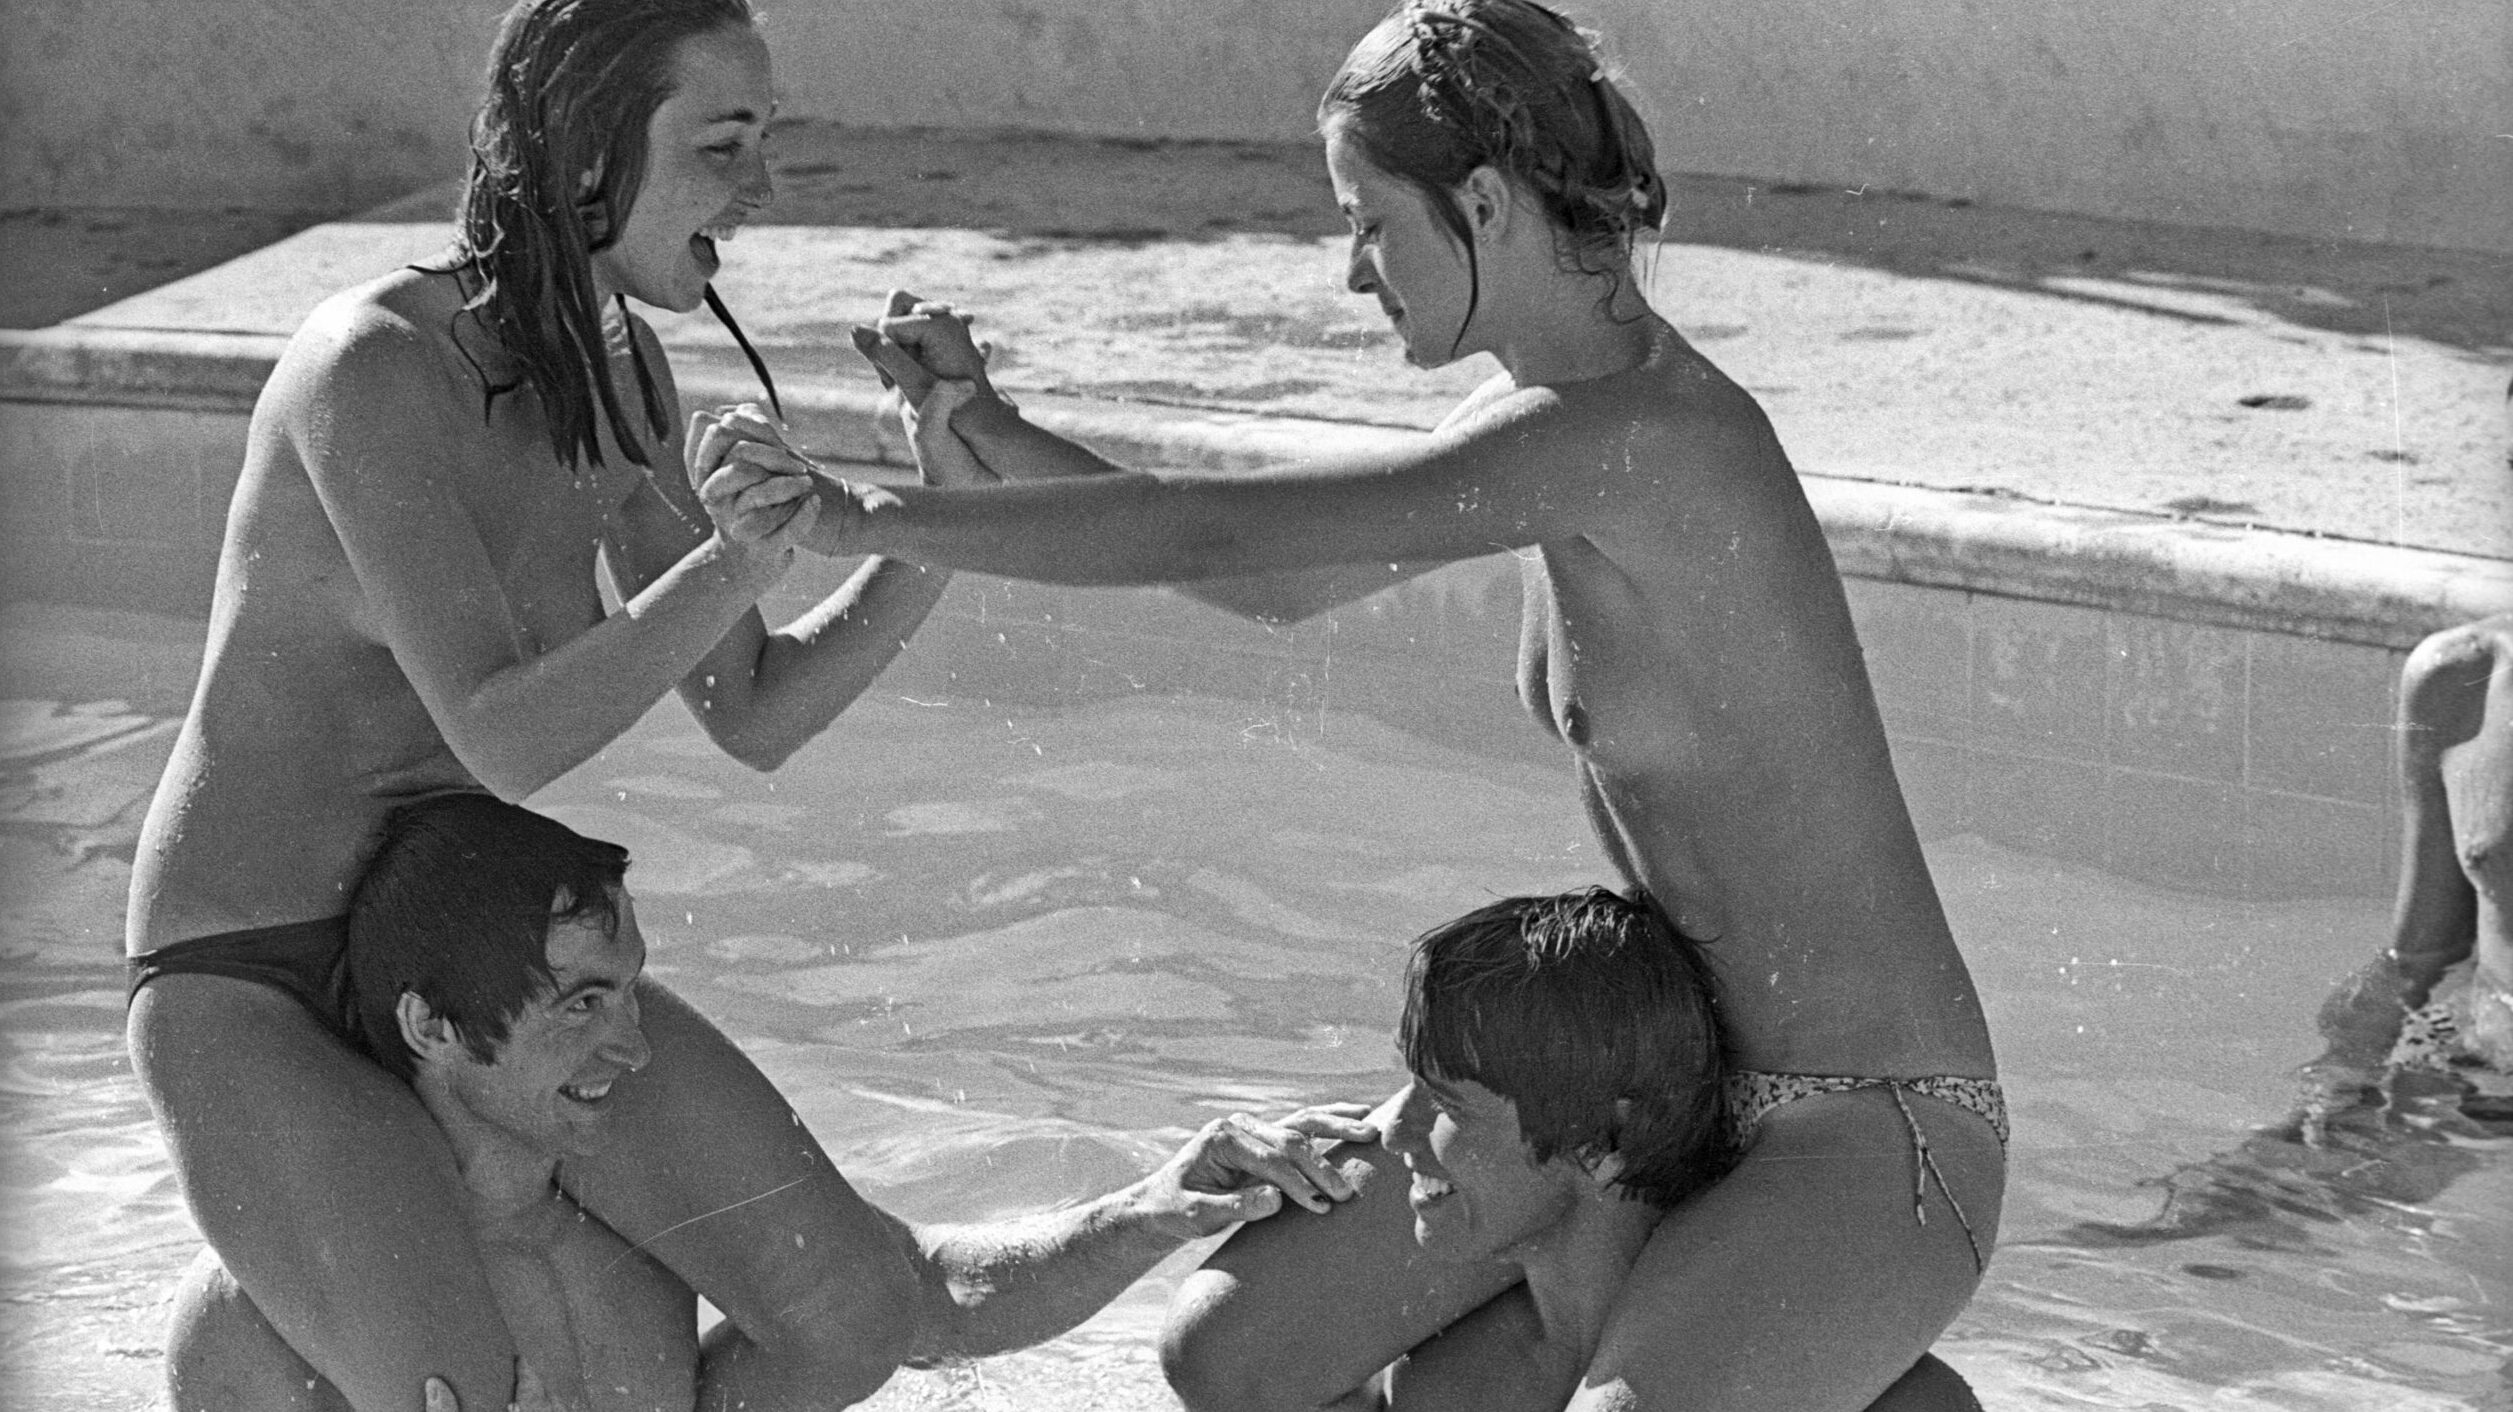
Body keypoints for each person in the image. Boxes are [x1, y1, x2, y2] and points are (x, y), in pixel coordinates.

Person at [691, 2, 2006, 1405]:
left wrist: (863, 520)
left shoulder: (1636, 439)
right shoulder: (1553, 420)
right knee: (1232, 1355)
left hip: (1863, 1123)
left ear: (1484, 204)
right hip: (1640, 1101)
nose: (1352, 274)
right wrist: (989, 435)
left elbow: (1213, 540)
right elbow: (1283, 578)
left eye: (1370, 223)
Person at [121, 4, 987, 1408]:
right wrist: (729, 560)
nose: (758, 192)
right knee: (458, 1386)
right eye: (723, 145)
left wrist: (939, 516)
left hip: (480, 959)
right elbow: (503, 733)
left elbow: (754, 707)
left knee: (848, 1313)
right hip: (254, 968)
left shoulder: (621, 370)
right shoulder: (375, 368)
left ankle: (312, 1282)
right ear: (586, 151)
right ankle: (252, 1315)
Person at [165, 794, 1370, 1412]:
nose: (635, 1045)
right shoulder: (260, 1316)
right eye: (580, 1003)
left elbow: (917, 1298)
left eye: (633, 989)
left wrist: (1159, 1204)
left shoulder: (638, 1245)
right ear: (432, 1026)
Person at [1368, 886, 1980, 1411]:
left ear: (1606, 1134)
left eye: (1446, 1103)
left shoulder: (1885, 1399)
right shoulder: (1444, 1384)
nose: (1392, 1131)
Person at [2300, 612, 2513, 1126]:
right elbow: (2419, 955)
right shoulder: (2460, 675)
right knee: (2224, 1201)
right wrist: (2337, 1079)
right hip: (2480, 1072)